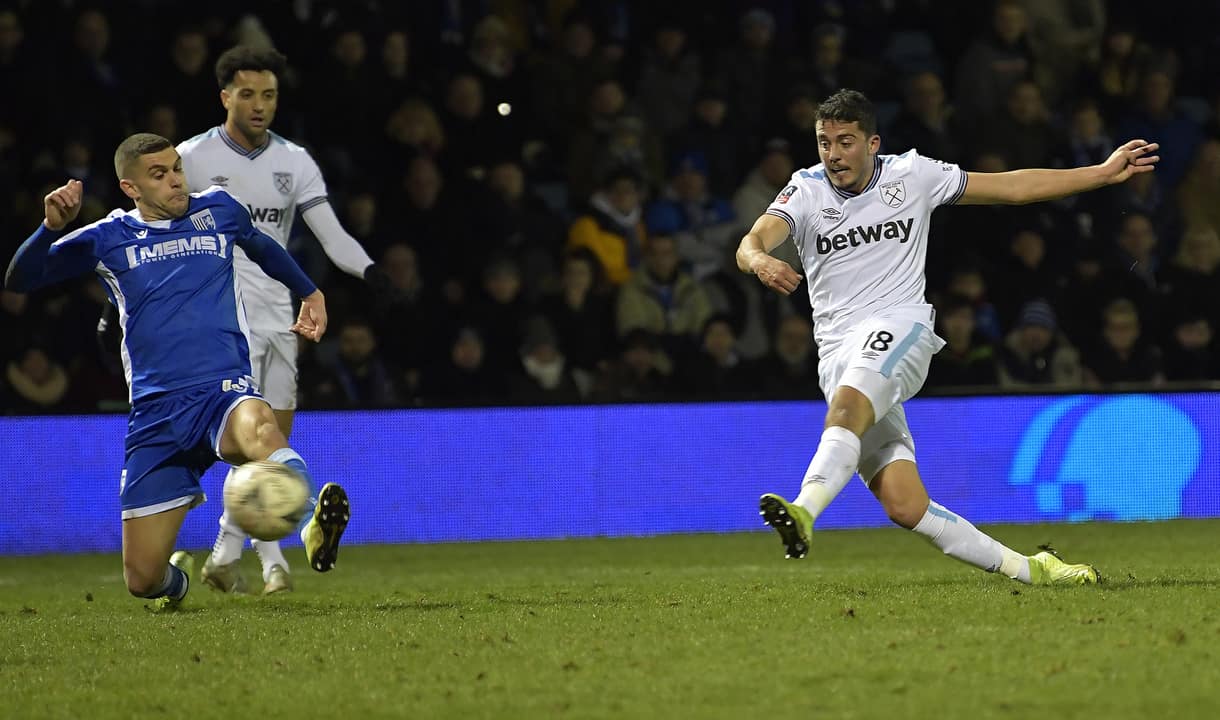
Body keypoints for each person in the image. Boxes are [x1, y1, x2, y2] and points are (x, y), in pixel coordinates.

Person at [737, 89, 1160, 586]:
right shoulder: (805, 189)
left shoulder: (911, 175)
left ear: (872, 143)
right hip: (837, 350)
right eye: (824, 142)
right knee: (904, 503)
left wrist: (1101, 173)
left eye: (845, 141)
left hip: (902, 326)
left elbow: (1012, 187)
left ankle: (804, 511)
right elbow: (752, 240)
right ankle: (1035, 571)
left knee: (847, 408)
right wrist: (761, 259)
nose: (833, 154)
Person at [4, 133, 350, 610]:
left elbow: (264, 248)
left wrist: (310, 292)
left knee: (260, 426)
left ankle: (312, 525)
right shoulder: (107, 237)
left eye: (176, 169)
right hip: (155, 414)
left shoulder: (219, 210)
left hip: (221, 391)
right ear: (132, 188)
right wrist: (48, 227)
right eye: (159, 175)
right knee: (142, 578)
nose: (175, 181)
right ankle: (178, 584)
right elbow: (19, 279)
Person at [174, 46, 384, 595]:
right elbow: (155, 229)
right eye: (247, 94)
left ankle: (228, 555)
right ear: (225, 97)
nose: (260, 105)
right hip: (220, 320)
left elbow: (332, 236)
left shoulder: (295, 160)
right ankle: (271, 562)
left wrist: (372, 273)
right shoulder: (190, 159)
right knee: (251, 444)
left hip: (281, 320)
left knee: (273, 449)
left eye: (268, 94)